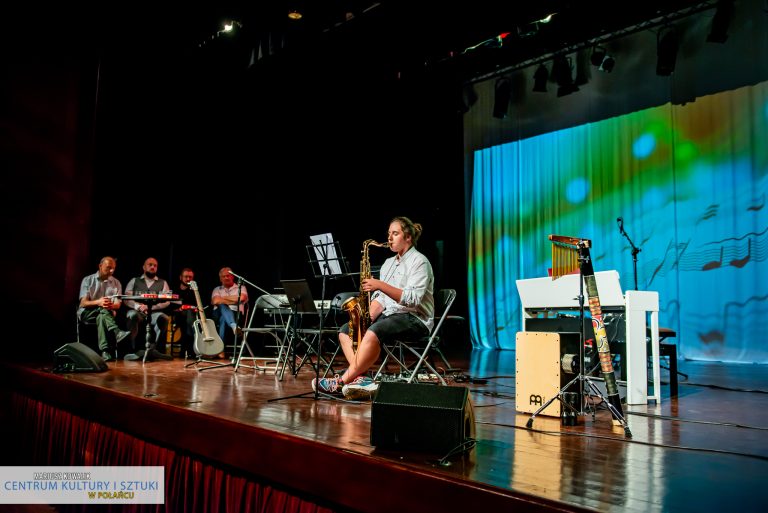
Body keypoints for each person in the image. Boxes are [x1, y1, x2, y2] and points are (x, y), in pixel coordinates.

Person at [313, 216, 435, 400]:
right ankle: (361, 378)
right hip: (390, 315)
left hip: (415, 318)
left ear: (408, 237)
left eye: (395, 233)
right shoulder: (388, 264)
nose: (390, 238)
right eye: (389, 234)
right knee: (346, 331)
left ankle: (341, 382)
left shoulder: (420, 262)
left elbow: (413, 300)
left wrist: (379, 285)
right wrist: (366, 316)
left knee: (372, 332)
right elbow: (382, 299)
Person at [77, 256, 131, 362]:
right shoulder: (88, 280)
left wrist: (108, 305)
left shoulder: (116, 283)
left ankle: (105, 351)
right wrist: (99, 302)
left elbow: (117, 305)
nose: (111, 271)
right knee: (102, 311)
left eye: (114, 268)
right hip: (87, 313)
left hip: (105, 314)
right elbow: (83, 303)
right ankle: (116, 332)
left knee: (102, 315)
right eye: (108, 268)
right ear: (100, 266)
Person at [123, 257, 171, 356]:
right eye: (150, 265)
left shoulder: (163, 283)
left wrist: (152, 308)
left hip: (154, 313)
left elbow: (167, 301)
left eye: (155, 265)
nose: (153, 267)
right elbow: (126, 298)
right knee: (132, 315)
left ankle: (156, 350)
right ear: (144, 267)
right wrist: (138, 306)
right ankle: (132, 349)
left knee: (164, 318)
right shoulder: (134, 281)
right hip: (137, 311)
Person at [211, 267, 248, 353]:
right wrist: (233, 300)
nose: (226, 278)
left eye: (228, 276)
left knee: (223, 319)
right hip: (217, 314)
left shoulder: (241, 288)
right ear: (220, 278)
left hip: (237, 314)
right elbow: (215, 301)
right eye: (223, 276)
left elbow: (241, 298)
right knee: (222, 306)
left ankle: (220, 350)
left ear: (233, 277)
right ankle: (234, 326)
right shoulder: (217, 289)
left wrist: (222, 298)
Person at [170, 267, 198, 359]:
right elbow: (169, 305)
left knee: (189, 317)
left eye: (190, 277)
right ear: (180, 277)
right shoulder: (174, 290)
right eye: (186, 277)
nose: (188, 279)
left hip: (191, 317)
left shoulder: (194, 291)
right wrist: (180, 308)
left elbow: (198, 305)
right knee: (188, 319)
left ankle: (184, 349)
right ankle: (191, 350)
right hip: (177, 316)